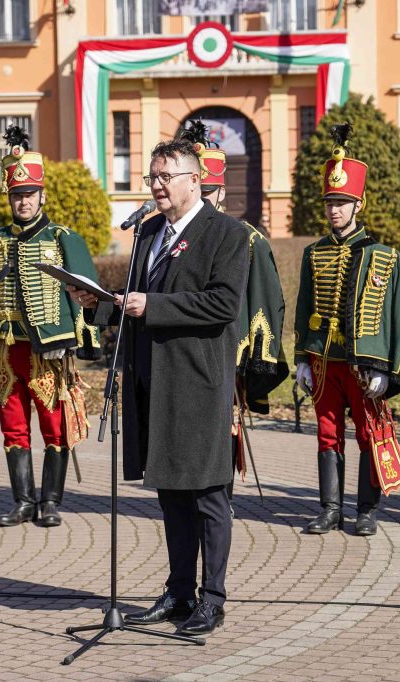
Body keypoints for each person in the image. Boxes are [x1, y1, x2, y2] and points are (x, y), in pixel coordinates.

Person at [68, 139, 250, 636]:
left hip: (198, 382)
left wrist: (154, 307)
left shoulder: (227, 234)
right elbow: (135, 301)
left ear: (195, 180)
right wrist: (96, 303)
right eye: (152, 176)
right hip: (153, 379)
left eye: (166, 175)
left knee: (208, 495)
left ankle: (212, 599)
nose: (156, 185)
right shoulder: (149, 232)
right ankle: (178, 591)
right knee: (170, 492)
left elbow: (223, 305)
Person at [0, 126, 101, 529]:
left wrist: (78, 340)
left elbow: (88, 295)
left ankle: (51, 502)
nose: (23, 202)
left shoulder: (63, 238)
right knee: (13, 425)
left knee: (53, 424)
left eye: (29, 195)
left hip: (48, 350)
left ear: (41, 196)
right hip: (6, 349)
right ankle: (23, 501)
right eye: (16, 195)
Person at [293, 124, 400, 536]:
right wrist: (301, 357)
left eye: (343, 202)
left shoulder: (384, 257)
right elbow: (303, 307)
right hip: (323, 359)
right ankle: (330, 509)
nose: (335, 209)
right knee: (327, 434)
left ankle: (366, 510)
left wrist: (390, 369)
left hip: (362, 365)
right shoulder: (314, 253)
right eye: (331, 201)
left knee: (368, 435)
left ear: (358, 204)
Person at [178, 120, 288, 508]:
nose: (204, 200)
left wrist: (256, 360)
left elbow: (267, 301)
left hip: (229, 356)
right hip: (183, 355)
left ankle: (216, 499)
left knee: (222, 435)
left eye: (209, 192)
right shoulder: (172, 236)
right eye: (199, 192)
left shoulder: (247, 238)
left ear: (221, 191)